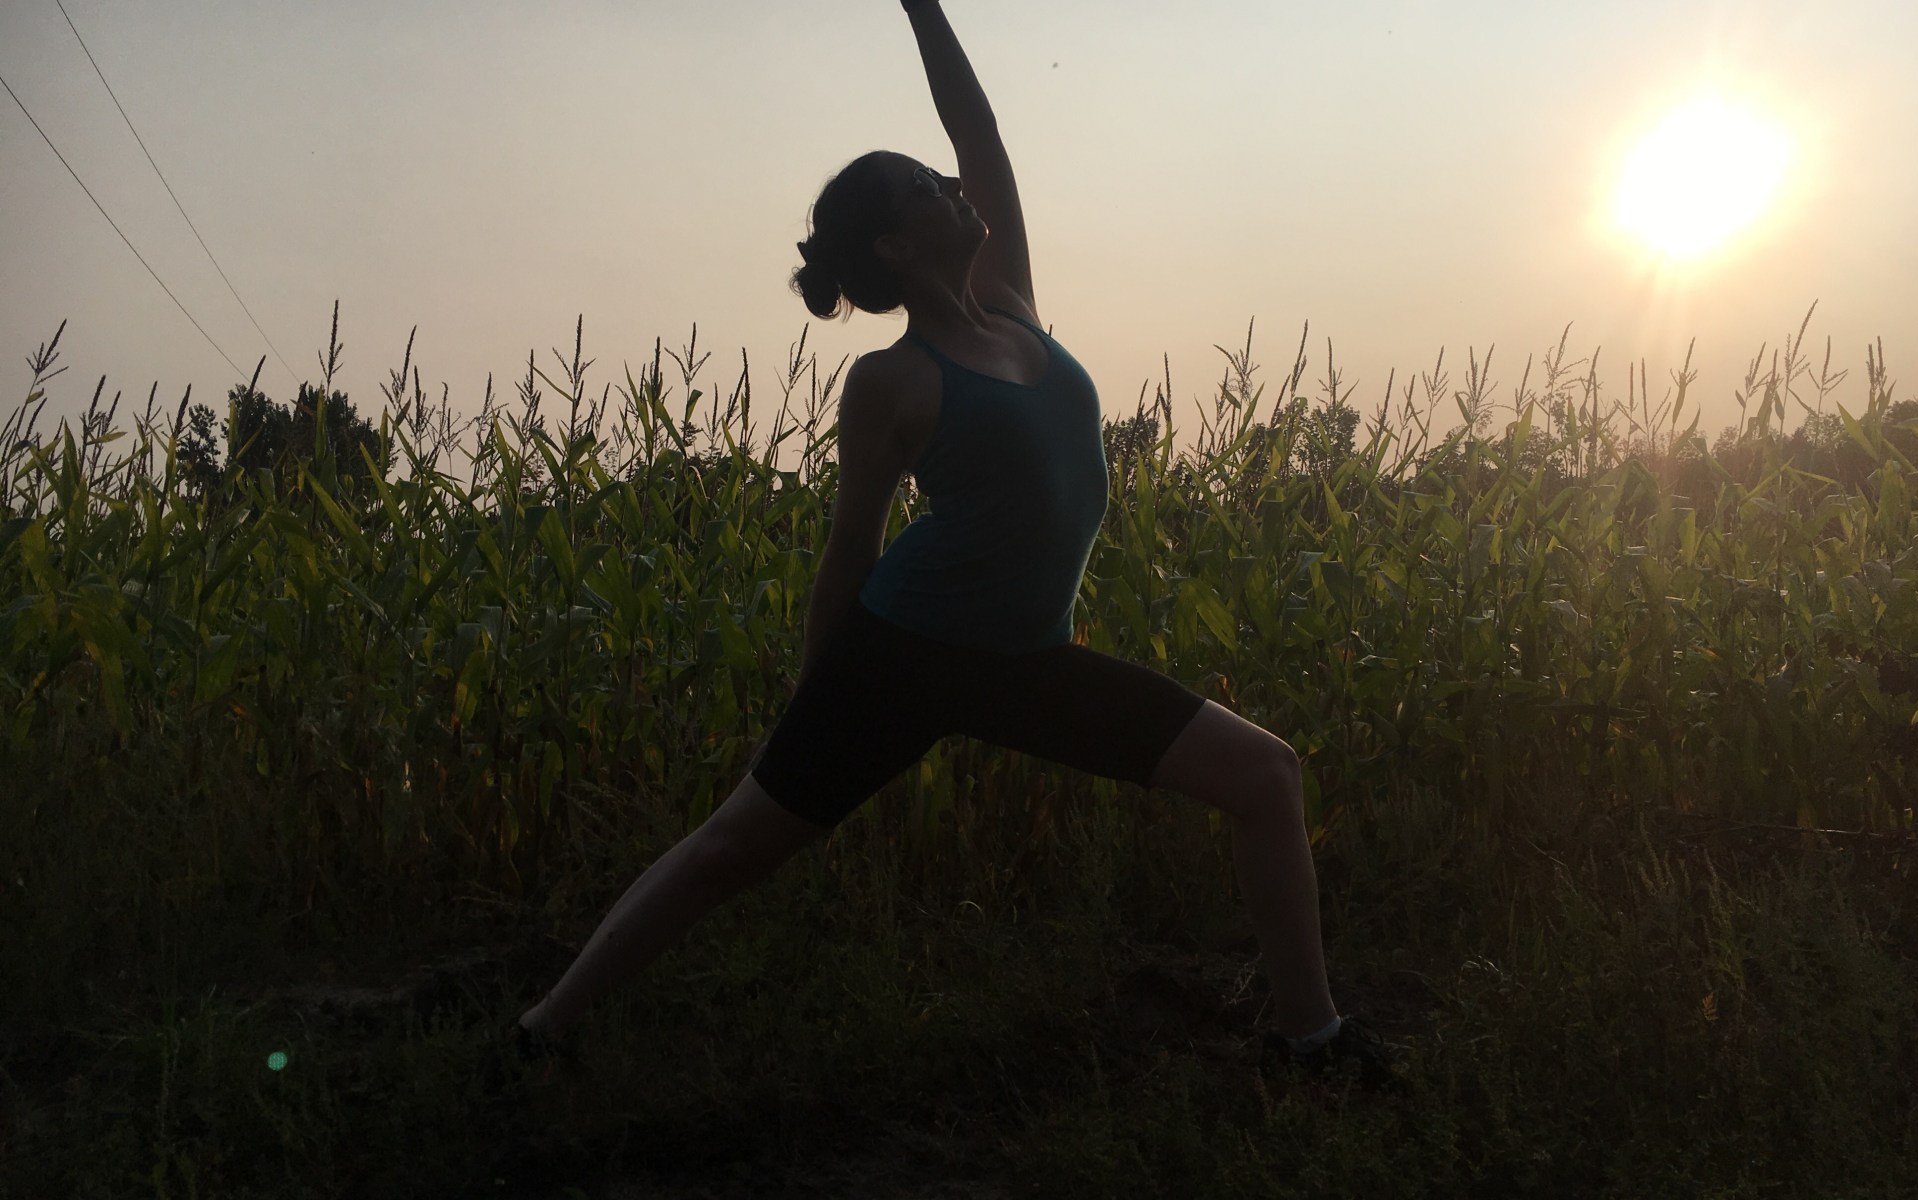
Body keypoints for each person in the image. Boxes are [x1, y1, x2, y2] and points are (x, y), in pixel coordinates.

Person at [512, 0, 1389, 1087]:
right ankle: (541, 1030)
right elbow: (850, 550)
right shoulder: (888, 380)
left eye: (938, 175)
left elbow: (980, 136)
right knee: (731, 850)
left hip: (1025, 662)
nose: (952, 184)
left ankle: (1311, 1044)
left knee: (1264, 776)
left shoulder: (1009, 300)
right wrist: (814, 698)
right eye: (924, 187)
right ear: (893, 242)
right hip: (905, 657)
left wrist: (920, 7)